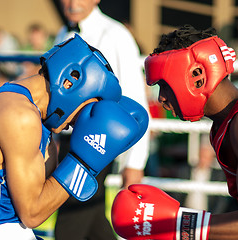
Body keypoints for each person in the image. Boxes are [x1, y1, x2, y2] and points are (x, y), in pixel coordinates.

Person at [0, 34, 149, 240]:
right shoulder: (19, 116)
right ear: (70, 82)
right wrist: (83, 163)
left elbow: (45, 193)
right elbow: (32, 213)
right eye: (88, 107)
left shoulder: (33, 114)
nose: (79, 122)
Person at [111, 24, 238, 240]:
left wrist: (179, 224)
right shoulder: (224, 125)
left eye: (164, 84)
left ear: (196, 76)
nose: (161, 97)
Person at [53, 0, 150, 239]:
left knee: (69, 223)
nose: (73, 3)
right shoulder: (62, 33)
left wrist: (135, 162)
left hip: (98, 140)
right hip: (66, 141)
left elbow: (136, 99)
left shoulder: (117, 35)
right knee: (93, 221)